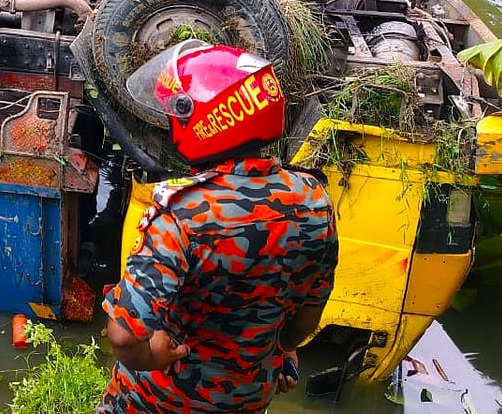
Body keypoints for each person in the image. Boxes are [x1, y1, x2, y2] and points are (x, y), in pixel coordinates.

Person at [98, 40, 339, 413]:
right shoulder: (315, 202)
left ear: (209, 124)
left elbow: (124, 336)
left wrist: (152, 359)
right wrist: (282, 348)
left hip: (158, 402)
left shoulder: (181, 217)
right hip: (246, 400)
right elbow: (307, 316)